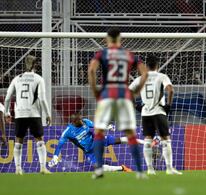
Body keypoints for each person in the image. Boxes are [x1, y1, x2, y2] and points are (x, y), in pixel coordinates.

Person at [88, 28, 148, 179]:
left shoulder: (102, 54)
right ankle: (140, 172)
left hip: (107, 95)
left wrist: (96, 91)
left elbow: (91, 71)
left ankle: (99, 170)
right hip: (123, 95)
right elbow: (145, 73)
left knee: (99, 132)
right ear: (120, 39)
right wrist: (136, 91)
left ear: (107, 39)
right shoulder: (128, 54)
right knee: (130, 133)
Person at [129, 54, 182, 175]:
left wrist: (135, 106)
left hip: (145, 113)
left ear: (147, 67)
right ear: (157, 66)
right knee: (165, 140)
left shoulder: (141, 78)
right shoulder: (162, 76)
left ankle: (150, 169)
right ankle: (169, 169)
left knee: (148, 140)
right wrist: (168, 105)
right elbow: (170, 89)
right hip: (158, 111)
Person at [4, 55, 52, 175]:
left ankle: (18, 169)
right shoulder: (38, 79)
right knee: (39, 140)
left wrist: (6, 112)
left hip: (20, 114)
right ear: (36, 65)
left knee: (18, 140)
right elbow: (42, 99)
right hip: (33, 113)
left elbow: (7, 98)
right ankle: (42, 168)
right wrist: (47, 114)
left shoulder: (16, 79)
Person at [48, 113, 144, 172]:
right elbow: (60, 144)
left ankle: (144, 142)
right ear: (73, 122)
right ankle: (122, 168)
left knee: (119, 140)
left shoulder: (85, 121)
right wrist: (55, 157)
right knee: (98, 168)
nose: (82, 121)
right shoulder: (68, 131)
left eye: (81, 119)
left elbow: (96, 129)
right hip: (89, 151)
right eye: (79, 120)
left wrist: (107, 128)